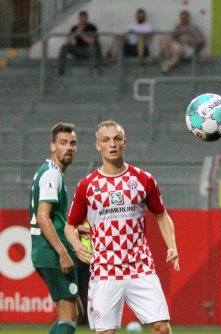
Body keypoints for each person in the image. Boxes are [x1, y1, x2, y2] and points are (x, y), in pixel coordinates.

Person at [64, 120, 180, 333]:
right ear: (98, 145)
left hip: (140, 266)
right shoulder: (87, 186)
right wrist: (76, 246)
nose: (113, 144)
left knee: (162, 327)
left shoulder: (144, 179)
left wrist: (171, 245)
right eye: (106, 140)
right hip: (105, 269)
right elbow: (70, 226)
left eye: (117, 139)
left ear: (125, 142)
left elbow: (161, 215)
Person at [29, 122, 84, 334]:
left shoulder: (50, 172)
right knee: (69, 317)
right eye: (63, 143)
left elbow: (53, 217)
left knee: (76, 312)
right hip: (52, 252)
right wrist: (62, 253)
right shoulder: (52, 174)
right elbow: (43, 218)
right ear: (53, 146)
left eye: (72, 143)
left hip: (46, 250)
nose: (69, 147)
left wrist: (76, 229)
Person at [58, 11, 101, 76]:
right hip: (77, 49)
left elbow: (92, 41)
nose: (82, 20)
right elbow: (68, 42)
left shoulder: (92, 27)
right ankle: (61, 69)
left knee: (92, 47)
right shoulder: (75, 28)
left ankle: (94, 69)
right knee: (64, 47)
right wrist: (75, 33)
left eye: (84, 18)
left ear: (87, 19)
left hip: (87, 49)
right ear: (79, 18)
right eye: (81, 18)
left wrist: (81, 35)